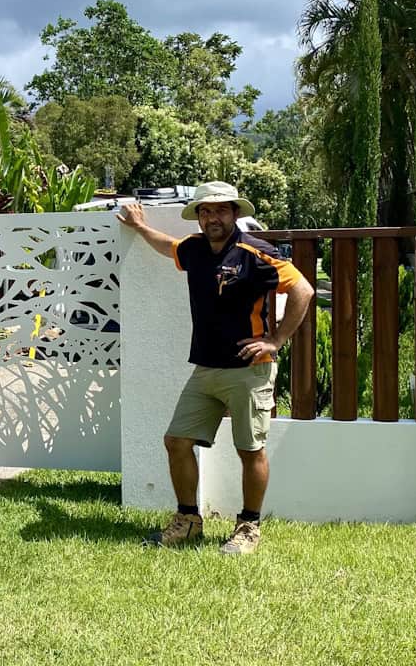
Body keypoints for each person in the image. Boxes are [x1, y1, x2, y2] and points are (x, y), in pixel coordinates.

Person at [117, 181, 314, 555]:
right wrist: (141, 228)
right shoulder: (193, 249)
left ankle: (248, 528)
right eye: (205, 211)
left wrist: (275, 341)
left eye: (220, 210)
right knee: (176, 441)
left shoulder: (254, 252)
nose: (212, 218)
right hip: (205, 368)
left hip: (248, 370)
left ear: (235, 213)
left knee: (249, 450)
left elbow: (302, 289)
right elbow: (169, 247)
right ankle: (188, 521)